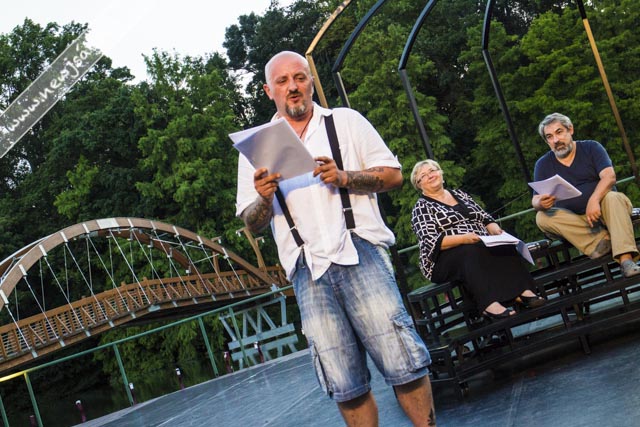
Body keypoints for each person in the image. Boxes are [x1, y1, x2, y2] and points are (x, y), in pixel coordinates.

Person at [235, 51, 436, 427]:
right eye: (282, 81)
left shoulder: (345, 121)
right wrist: (263, 196)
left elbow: (394, 176)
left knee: (403, 363)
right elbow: (251, 221)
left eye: (300, 77)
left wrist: (345, 177)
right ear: (268, 91)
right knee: (345, 384)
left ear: (311, 82)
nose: (293, 87)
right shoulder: (255, 149)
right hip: (307, 268)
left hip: (360, 251)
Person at [410, 159, 545, 319]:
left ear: (441, 173)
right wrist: (464, 239)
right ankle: (488, 304)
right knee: (469, 252)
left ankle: (522, 291)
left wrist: (492, 226)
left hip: (478, 243)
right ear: (419, 184)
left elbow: (483, 216)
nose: (430, 175)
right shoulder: (421, 208)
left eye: (432, 170)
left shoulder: (459, 194)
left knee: (503, 244)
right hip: (441, 259)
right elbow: (431, 242)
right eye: (423, 175)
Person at [531, 112, 640, 277]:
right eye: (550, 137)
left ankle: (627, 261)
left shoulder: (591, 147)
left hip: (607, 211)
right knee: (541, 217)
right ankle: (601, 242)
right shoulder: (543, 164)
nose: (556, 140)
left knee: (613, 197)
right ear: (547, 141)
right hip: (576, 223)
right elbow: (535, 200)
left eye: (559, 132)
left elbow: (609, 177)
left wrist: (594, 200)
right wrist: (540, 202)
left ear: (570, 130)